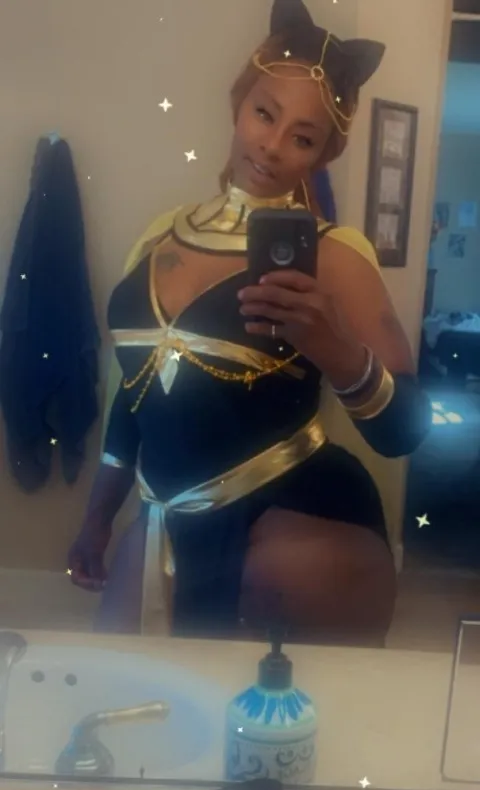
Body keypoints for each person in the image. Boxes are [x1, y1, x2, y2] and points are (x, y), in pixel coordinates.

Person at [68, 0, 431, 645]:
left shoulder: (335, 255)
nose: (272, 144)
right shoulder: (159, 236)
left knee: (283, 709)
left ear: (323, 153)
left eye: (303, 137)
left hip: (297, 531)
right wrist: (98, 516)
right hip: (163, 527)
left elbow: (406, 430)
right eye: (265, 113)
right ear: (240, 103)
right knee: (131, 695)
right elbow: (137, 392)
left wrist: (339, 352)